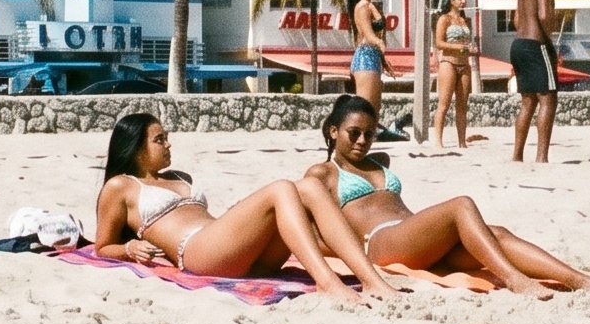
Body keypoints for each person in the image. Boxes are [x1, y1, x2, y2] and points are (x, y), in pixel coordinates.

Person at [305, 95, 590, 297]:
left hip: (415, 237)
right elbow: (312, 230)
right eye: (353, 133)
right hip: (381, 243)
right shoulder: (323, 173)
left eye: (370, 134)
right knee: (461, 205)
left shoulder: (380, 161)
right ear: (333, 131)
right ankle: (514, 279)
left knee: (497, 234)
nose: (363, 141)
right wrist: (349, 251)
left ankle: (581, 281)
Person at [91, 112, 405, 305]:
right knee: (282, 188)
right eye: (159, 139)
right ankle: (329, 284)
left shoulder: (178, 177)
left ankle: (372, 280)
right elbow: (102, 246)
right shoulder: (121, 186)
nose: (169, 144)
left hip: (232, 251)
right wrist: (129, 247)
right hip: (198, 253)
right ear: (136, 147)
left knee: (308, 187)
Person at [508, 0, 561, 164]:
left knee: (528, 101)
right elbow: (544, 18)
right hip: (535, 45)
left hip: (518, 44)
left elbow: (517, 20)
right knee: (548, 98)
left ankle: (517, 155)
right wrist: (551, 35)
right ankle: (541, 157)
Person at [430, 0, 479, 148]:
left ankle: (461, 141)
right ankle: (438, 140)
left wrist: (471, 50)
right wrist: (459, 47)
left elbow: (467, 42)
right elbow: (439, 43)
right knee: (444, 104)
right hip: (449, 63)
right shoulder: (444, 19)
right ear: (451, 1)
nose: (463, 1)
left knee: (462, 105)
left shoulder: (465, 20)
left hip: (464, 64)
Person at [348, 0, 392, 111]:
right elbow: (368, 34)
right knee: (365, 109)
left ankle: (372, 133)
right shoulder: (362, 7)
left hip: (373, 56)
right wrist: (379, 42)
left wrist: (383, 60)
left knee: (374, 109)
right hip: (365, 57)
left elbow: (377, 25)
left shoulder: (369, 6)